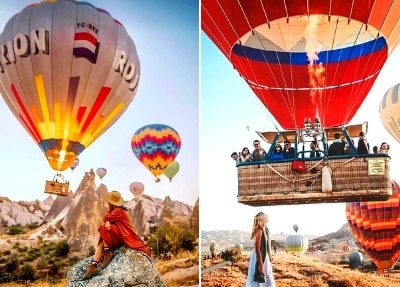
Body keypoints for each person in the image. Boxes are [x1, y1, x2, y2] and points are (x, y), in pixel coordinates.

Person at [83, 190, 151, 280]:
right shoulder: (113, 210)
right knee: (101, 243)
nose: (107, 202)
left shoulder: (120, 211)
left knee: (103, 228)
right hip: (118, 234)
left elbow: (105, 217)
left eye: (109, 201)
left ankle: (107, 253)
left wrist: (107, 221)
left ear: (112, 203)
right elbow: (107, 217)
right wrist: (107, 222)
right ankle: (94, 265)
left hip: (125, 236)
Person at [245, 212, 275, 287]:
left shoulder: (264, 231)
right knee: (260, 276)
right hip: (260, 257)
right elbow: (258, 249)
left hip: (263, 256)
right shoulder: (260, 231)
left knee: (266, 275)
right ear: (263, 220)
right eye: (266, 219)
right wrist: (260, 264)